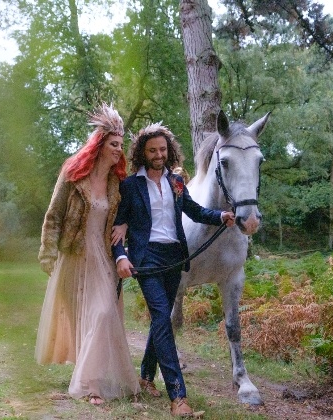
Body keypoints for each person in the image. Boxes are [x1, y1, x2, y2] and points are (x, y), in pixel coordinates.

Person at [112, 123, 235, 417]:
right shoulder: (130, 186)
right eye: (152, 150)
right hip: (147, 258)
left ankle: (145, 374)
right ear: (143, 152)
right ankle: (178, 396)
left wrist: (221, 215)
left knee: (160, 320)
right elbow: (117, 227)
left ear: (169, 151)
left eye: (163, 149)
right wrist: (120, 257)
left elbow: (195, 212)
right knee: (162, 320)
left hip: (174, 258)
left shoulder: (177, 183)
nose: (158, 154)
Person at [35, 104, 140, 405]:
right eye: (114, 144)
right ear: (100, 144)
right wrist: (47, 252)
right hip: (74, 255)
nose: (119, 150)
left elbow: (131, 213)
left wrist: (126, 224)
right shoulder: (73, 173)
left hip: (103, 258)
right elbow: (53, 215)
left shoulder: (116, 184)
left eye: (122, 145)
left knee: (104, 312)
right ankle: (92, 383)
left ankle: (91, 381)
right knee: (83, 318)